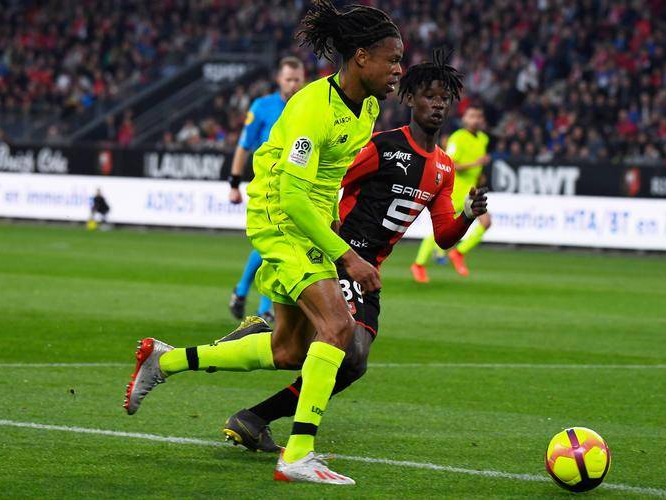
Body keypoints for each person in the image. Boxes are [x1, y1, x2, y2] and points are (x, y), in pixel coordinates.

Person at [122, 0, 403, 485]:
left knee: (288, 350)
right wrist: (347, 255)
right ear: (361, 57)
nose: (399, 69)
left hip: (309, 219)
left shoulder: (370, 108)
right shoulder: (312, 107)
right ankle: (298, 453)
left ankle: (164, 360)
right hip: (280, 214)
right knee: (337, 327)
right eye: (392, 59)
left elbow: (326, 180)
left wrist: (334, 226)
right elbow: (291, 195)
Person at [221, 49, 488, 454]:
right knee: (351, 352)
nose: (438, 104)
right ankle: (282, 430)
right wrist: (324, 232)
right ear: (410, 99)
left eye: (444, 99)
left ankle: (256, 407)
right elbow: (331, 180)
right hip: (341, 255)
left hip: (369, 269)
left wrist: (467, 214)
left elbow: (444, 237)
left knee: (343, 362)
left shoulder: (443, 169)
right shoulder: (382, 147)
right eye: (429, 96)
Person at [227, 57, 305, 325]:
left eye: (297, 80)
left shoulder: (307, 106)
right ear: (279, 80)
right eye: (289, 79)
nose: (293, 84)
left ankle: (244, 294)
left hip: (295, 184)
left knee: (276, 243)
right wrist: (234, 183)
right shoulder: (262, 107)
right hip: (267, 185)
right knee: (275, 242)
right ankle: (262, 306)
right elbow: (244, 146)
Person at [411, 104, 492, 282]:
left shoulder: (483, 138)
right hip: (455, 190)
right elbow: (450, 164)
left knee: (486, 222)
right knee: (442, 231)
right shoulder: (458, 138)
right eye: (472, 116)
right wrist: (475, 164)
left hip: (471, 190)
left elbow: (476, 165)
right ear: (465, 119)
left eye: (478, 116)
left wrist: (480, 175)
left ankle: (458, 253)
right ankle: (419, 264)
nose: (475, 120)